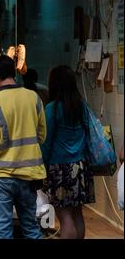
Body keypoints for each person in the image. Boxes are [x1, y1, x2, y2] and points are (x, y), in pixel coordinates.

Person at [0, 55, 47, 239]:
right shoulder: (33, 98)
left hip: (2, 175)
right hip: (30, 174)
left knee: (3, 231)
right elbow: (42, 135)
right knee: (31, 228)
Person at [41, 65, 95, 239]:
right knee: (78, 214)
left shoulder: (52, 108)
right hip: (82, 166)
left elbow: (46, 141)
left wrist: (41, 164)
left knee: (65, 218)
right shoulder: (82, 106)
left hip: (60, 168)